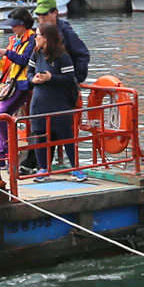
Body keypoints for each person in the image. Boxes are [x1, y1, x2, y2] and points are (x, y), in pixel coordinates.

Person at [20, 0, 90, 174]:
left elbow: (82, 54)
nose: (41, 18)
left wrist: (75, 79)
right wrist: (33, 80)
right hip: (43, 93)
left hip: (62, 90)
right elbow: (30, 68)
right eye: (39, 15)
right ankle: (40, 166)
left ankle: (72, 168)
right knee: (40, 130)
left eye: (44, 14)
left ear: (55, 13)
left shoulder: (66, 33)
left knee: (62, 129)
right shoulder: (37, 48)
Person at [27, 22, 86, 183]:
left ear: (46, 38)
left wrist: (51, 78)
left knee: (66, 136)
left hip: (58, 103)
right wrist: (33, 79)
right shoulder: (36, 53)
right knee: (39, 135)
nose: (35, 37)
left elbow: (69, 79)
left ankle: (75, 169)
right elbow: (29, 73)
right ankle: (42, 169)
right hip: (38, 103)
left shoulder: (62, 56)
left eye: (37, 35)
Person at [0, 8, 36, 165]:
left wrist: (7, 53)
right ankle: (0, 156)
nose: (12, 27)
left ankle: (8, 149)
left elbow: (25, 60)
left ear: (23, 24)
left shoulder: (32, 39)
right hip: (12, 84)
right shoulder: (15, 40)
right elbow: (7, 65)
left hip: (22, 86)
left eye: (15, 24)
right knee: (1, 118)